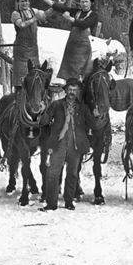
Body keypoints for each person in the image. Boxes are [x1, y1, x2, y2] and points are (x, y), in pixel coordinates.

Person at [39, 76, 93, 211]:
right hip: (58, 144)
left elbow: (92, 124)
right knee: (52, 174)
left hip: (75, 146)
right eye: (70, 89)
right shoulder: (56, 105)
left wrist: (97, 114)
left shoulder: (83, 108)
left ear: (78, 91)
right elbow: (44, 122)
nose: (72, 92)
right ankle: (51, 204)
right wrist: (42, 111)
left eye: (74, 90)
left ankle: (69, 201)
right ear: (66, 91)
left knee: (72, 174)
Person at [38, 0, 100, 82]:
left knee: (79, 72)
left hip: (83, 49)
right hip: (71, 47)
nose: (84, 4)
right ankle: (69, 87)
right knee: (68, 73)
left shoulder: (93, 15)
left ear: (91, 3)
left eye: (86, 2)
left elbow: (84, 24)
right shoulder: (77, 12)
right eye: (82, 2)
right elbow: (60, 8)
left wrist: (69, 18)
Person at [11, 0, 48, 87]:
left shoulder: (33, 11)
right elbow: (21, 24)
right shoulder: (16, 13)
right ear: (18, 2)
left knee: (35, 77)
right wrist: (34, 19)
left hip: (33, 50)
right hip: (21, 51)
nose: (25, 3)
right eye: (22, 1)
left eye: (27, 1)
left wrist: (57, 5)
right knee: (21, 81)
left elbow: (45, 14)